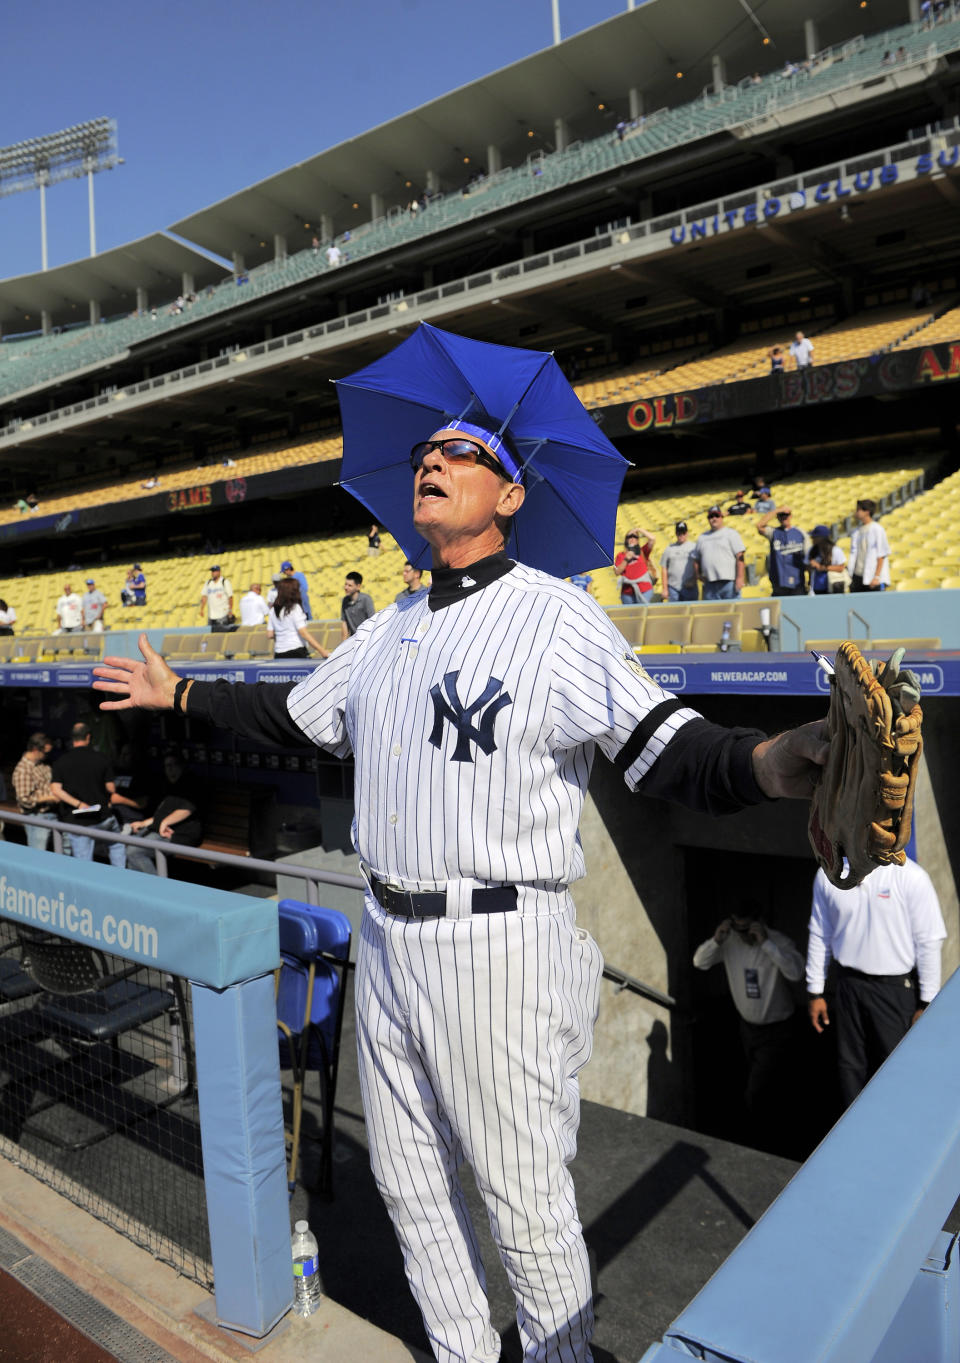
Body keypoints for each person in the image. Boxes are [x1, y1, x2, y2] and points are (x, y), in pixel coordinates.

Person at [93, 409, 829, 1363]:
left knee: (523, 1204)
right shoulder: (389, 627)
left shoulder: (555, 613)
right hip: (390, 934)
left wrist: (772, 762)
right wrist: (183, 693)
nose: (431, 462)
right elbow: (296, 713)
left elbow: (665, 745)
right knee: (409, 1189)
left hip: (500, 940)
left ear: (510, 495)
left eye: (460, 454)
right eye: (425, 454)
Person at [807, 858, 946, 1108]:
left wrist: (927, 1002)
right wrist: (815, 991)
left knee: (895, 1064)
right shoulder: (830, 874)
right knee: (850, 1065)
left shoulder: (911, 877)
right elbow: (820, 932)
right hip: (848, 984)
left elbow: (929, 941)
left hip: (893, 989)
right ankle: (853, 1133)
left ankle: (897, 1127)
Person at [693, 909, 804, 1152]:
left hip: (778, 1031)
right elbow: (699, 962)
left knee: (759, 1090)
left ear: (759, 922)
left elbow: (796, 972)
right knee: (763, 1087)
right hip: (748, 1028)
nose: (741, 934)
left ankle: (763, 1144)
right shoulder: (729, 941)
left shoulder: (777, 941)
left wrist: (766, 944)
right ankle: (764, 1136)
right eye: (737, 928)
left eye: (746, 929)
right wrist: (717, 939)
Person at [49, 723, 139, 866]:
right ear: (88, 737)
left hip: (77, 819)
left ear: (73, 739)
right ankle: (120, 878)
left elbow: (55, 789)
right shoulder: (102, 758)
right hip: (102, 817)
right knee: (117, 846)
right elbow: (111, 789)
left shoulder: (61, 761)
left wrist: (78, 804)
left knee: (84, 864)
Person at [125, 753, 204, 875]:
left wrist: (165, 822)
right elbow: (161, 815)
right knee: (130, 844)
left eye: (174, 765)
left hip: (181, 834)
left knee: (134, 851)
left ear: (182, 766)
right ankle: (136, 886)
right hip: (162, 830)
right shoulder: (169, 786)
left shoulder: (191, 783)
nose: (170, 769)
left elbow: (187, 809)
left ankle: (157, 888)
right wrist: (143, 823)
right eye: (167, 766)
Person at [12, 733, 58, 851]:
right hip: (37, 816)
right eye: (45, 752)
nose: (47, 755)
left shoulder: (43, 764)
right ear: (35, 750)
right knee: (39, 855)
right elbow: (24, 799)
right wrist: (49, 797)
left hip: (52, 813)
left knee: (59, 853)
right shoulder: (23, 769)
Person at [267, 579, 330, 660]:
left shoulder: (273, 610)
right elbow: (303, 633)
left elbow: (270, 634)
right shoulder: (295, 608)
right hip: (296, 651)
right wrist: (322, 651)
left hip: (279, 653)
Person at [692, 507, 745, 600]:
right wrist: (698, 575)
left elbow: (740, 556)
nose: (714, 518)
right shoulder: (702, 537)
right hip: (709, 584)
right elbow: (696, 558)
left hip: (729, 583)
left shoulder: (731, 533)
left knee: (733, 612)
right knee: (713, 613)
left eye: (716, 515)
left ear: (721, 517)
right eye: (711, 516)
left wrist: (740, 578)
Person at [756, 508, 810, 596]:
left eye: (786, 515)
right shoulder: (774, 532)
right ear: (777, 517)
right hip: (778, 580)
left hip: (797, 581)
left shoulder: (800, 533)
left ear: (791, 516)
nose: (784, 518)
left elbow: (808, 557)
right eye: (781, 515)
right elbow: (759, 526)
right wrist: (776, 511)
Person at [849, 498, 890, 592]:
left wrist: (876, 577)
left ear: (867, 512)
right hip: (857, 576)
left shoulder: (877, 529)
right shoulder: (856, 532)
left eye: (859, 509)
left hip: (872, 577)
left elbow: (882, 554)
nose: (856, 512)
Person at [614, 528, 657, 604]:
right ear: (626, 540)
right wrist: (626, 559)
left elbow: (652, 538)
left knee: (644, 614)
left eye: (635, 537)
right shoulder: (621, 555)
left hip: (645, 589)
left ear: (638, 540)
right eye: (630, 536)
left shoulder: (642, 551)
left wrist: (638, 530)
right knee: (630, 615)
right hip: (627, 592)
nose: (632, 539)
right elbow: (617, 572)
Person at [658, 522, 699, 602]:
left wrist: (694, 580)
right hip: (673, 587)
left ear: (687, 533)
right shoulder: (669, 549)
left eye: (683, 533)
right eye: (679, 533)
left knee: (691, 612)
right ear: (676, 533)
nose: (681, 535)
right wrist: (665, 589)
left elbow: (698, 565)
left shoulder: (693, 547)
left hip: (689, 586)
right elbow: (664, 568)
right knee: (675, 613)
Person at [807, 525, 847, 594]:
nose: (812, 539)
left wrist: (821, 567)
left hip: (832, 587)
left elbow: (841, 568)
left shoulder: (835, 550)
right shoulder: (812, 550)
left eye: (814, 537)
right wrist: (811, 565)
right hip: (816, 587)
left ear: (821, 538)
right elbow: (807, 566)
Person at [199, 565, 234, 630]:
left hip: (222, 614)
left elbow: (230, 597)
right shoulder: (208, 582)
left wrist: (230, 610)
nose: (213, 573)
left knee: (222, 633)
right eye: (212, 571)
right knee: (212, 635)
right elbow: (204, 596)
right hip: (211, 615)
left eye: (215, 571)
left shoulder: (224, 582)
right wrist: (202, 609)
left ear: (219, 572)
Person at [340, 571, 374, 639]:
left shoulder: (366, 599)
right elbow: (344, 623)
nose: (346, 587)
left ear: (358, 586)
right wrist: (343, 644)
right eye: (345, 584)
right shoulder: (345, 600)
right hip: (353, 640)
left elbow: (372, 621)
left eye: (350, 585)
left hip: (367, 638)